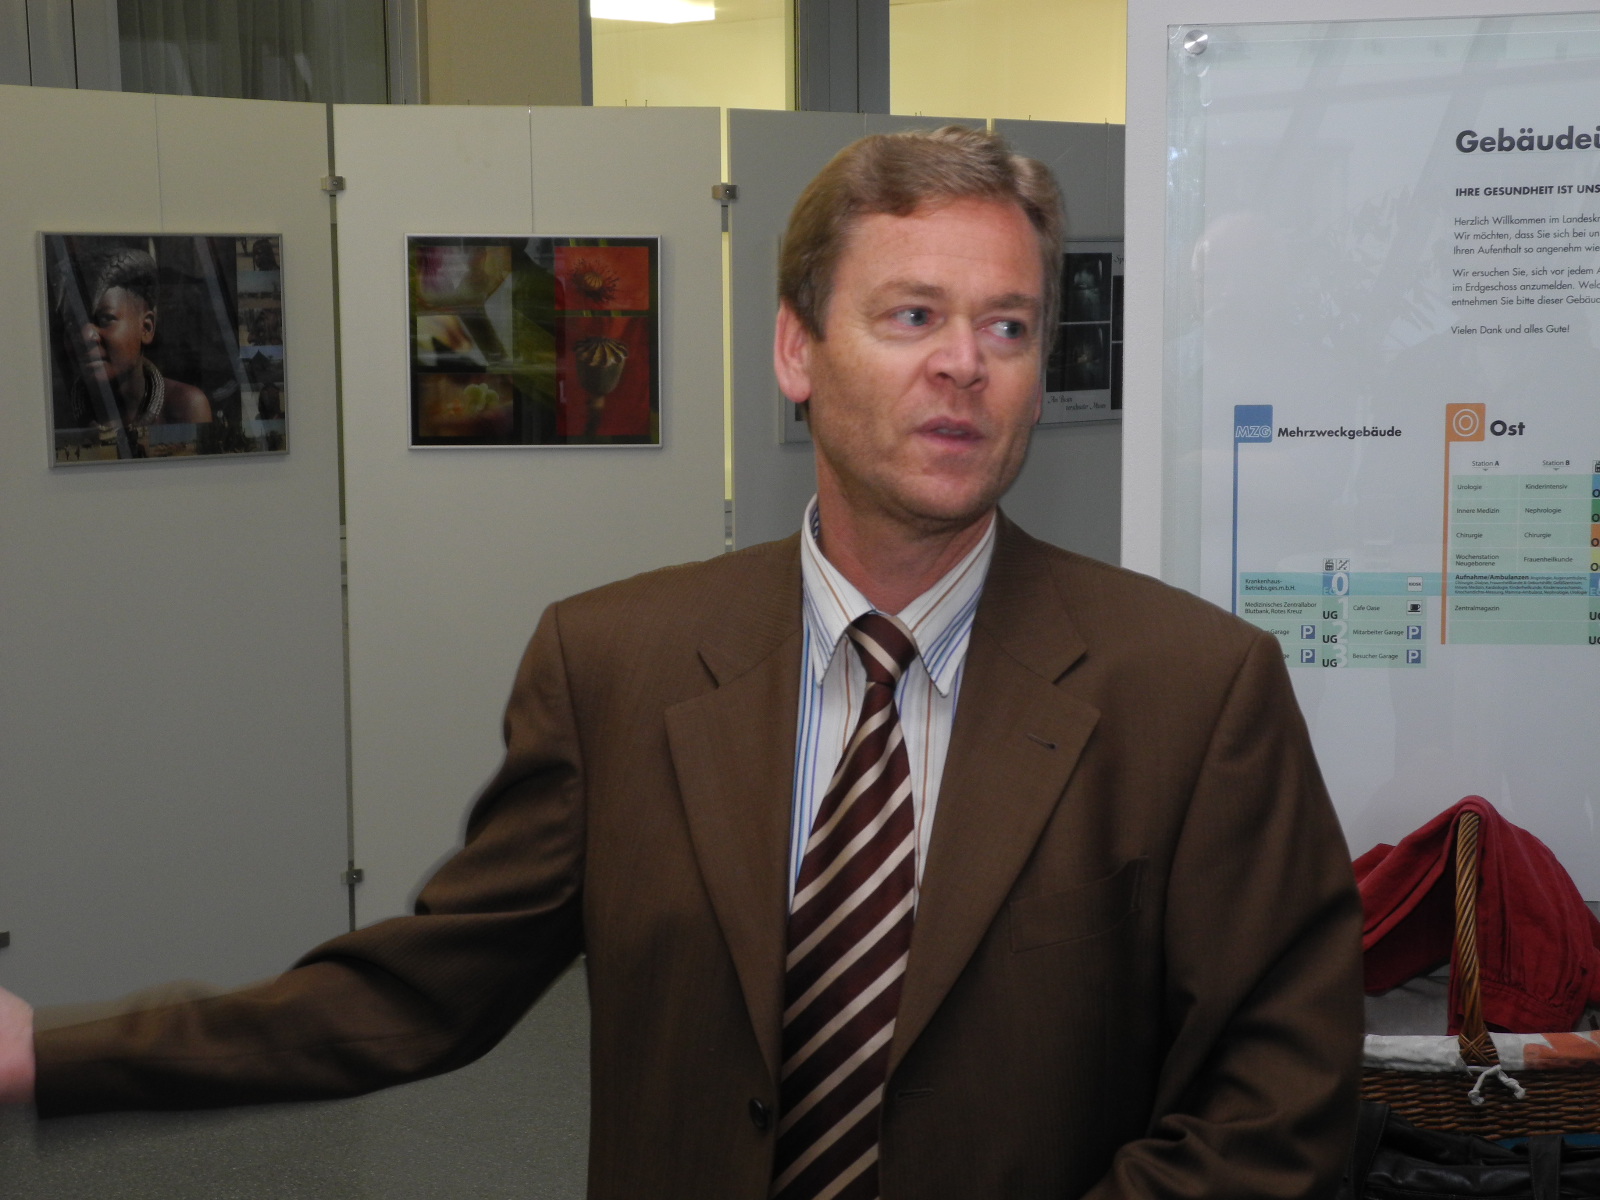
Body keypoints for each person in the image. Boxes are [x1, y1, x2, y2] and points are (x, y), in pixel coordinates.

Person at [0, 127, 1362, 1198]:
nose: (966, 365)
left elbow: (1278, 1108)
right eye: (911, 316)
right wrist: (50, 1057)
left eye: (1007, 326)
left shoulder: (1193, 692)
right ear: (795, 350)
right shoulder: (617, 666)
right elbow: (419, 994)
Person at [54, 245, 212, 451]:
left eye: (105, 319)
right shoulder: (54, 411)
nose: (85, 336)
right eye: (73, 323)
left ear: (146, 328)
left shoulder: (184, 407)